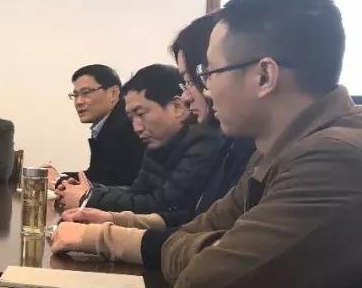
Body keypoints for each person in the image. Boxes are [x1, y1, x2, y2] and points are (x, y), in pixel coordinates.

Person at [56, 0, 362, 288]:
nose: (199, 92)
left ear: (264, 76)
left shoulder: (334, 160)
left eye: (208, 74)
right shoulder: (273, 149)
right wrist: (216, 247)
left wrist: (215, 254)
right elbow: (197, 226)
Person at [59, 12, 256, 232]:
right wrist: (101, 211)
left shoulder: (209, 140)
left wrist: (93, 203)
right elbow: (192, 225)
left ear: (264, 74)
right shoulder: (168, 141)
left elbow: (176, 215)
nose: (187, 97)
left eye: (198, 78)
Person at [55, 64, 224, 214]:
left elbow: (162, 205)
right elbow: (136, 192)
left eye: (141, 114)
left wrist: (88, 197)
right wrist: (89, 191)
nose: (136, 128)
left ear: (176, 107)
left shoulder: (202, 141)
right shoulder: (157, 143)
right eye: (131, 117)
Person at [46, 65, 144, 187]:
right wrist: (60, 177)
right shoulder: (108, 124)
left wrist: (58, 180)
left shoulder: (127, 127)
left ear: (113, 93)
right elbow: (98, 175)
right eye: (75, 95)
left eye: (86, 93)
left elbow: (113, 184)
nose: (78, 102)